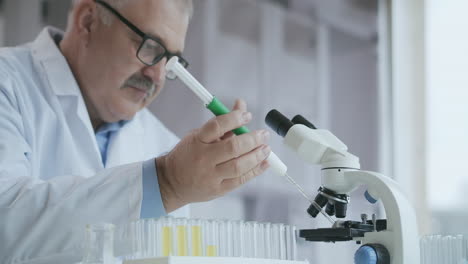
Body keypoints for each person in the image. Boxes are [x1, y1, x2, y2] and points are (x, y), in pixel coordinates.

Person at [0, 0, 271, 262]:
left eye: (171, 61)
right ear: (88, 21)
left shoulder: (164, 145)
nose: (158, 75)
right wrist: (165, 184)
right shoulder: (8, 84)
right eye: (150, 46)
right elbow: (6, 227)